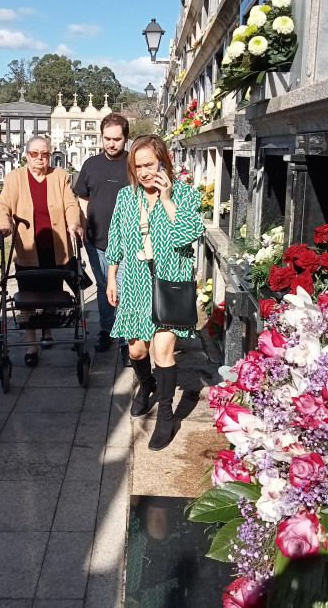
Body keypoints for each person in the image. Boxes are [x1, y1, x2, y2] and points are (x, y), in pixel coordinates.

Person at [106, 135, 204, 451]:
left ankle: (165, 414)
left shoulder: (186, 194)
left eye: (150, 164)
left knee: (162, 352)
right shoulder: (125, 197)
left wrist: (166, 198)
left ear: (164, 161)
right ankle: (146, 386)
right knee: (136, 351)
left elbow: (188, 235)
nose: (145, 172)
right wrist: (111, 277)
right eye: (139, 166)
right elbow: (116, 239)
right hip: (135, 285)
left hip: (169, 284)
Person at [0, 135, 84, 367]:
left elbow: (71, 204)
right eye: (34, 154)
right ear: (26, 156)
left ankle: (47, 331)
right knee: (29, 298)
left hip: (55, 248)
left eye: (44, 154)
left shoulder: (60, 176)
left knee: (52, 294)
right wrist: (3, 224)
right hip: (28, 248)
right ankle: (32, 343)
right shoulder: (15, 178)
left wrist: (74, 223)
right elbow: (2, 205)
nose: (40, 159)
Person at [74, 112, 132, 365]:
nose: (111, 143)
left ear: (126, 138)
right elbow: (82, 196)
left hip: (128, 242)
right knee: (102, 288)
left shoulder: (134, 164)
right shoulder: (91, 165)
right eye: (107, 138)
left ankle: (127, 340)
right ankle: (107, 331)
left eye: (117, 139)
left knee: (124, 289)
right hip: (96, 239)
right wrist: (85, 223)